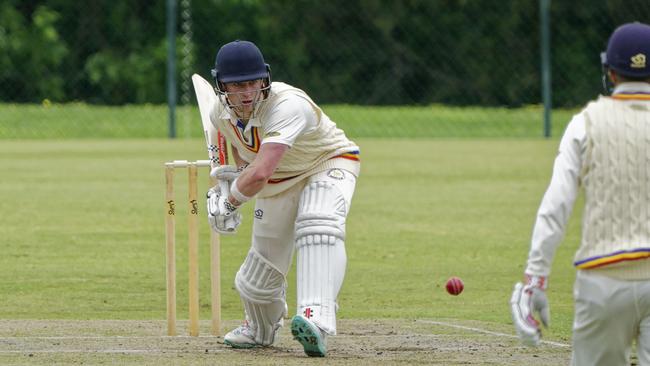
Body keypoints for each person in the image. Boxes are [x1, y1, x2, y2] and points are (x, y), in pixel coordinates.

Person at [204, 40, 360, 357]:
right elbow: (243, 158)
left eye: (253, 82)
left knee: (318, 224)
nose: (247, 92)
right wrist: (225, 186)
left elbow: (260, 171)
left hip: (326, 163)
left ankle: (316, 319)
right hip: (279, 180)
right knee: (256, 279)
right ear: (222, 86)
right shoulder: (219, 114)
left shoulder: (288, 104)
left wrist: (231, 202)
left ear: (265, 80)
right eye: (237, 85)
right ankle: (259, 330)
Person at [510, 22, 650, 365]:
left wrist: (535, 279)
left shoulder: (584, 123)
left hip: (603, 279)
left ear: (610, 74)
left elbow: (556, 206)